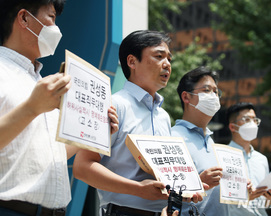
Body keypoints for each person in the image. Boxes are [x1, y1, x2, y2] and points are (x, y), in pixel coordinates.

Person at [0, 1, 119, 215]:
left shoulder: (37, 80)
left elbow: (53, 155)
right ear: (24, 18)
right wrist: (31, 108)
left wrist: (95, 133)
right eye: (52, 17)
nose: (57, 29)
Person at [73, 30, 203, 216]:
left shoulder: (163, 116)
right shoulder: (114, 105)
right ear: (132, 61)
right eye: (159, 56)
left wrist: (189, 188)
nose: (167, 64)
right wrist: (137, 189)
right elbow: (82, 167)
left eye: (169, 59)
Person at [171, 66, 230, 216]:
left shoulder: (212, 142)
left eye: (216, 92)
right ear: (186, 97)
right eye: (206, 90)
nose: (214, 96)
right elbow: (164, 190)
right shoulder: (172, 137)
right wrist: (198, 182)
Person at [226, 102, 271, 215]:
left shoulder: (262, 159)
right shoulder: (222, 156)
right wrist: (243, 197)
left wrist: (269, 199)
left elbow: (262, 203)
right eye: (246, 119)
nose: (252, 123)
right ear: (232, 127)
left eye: (254, 120)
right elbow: (218, 199)